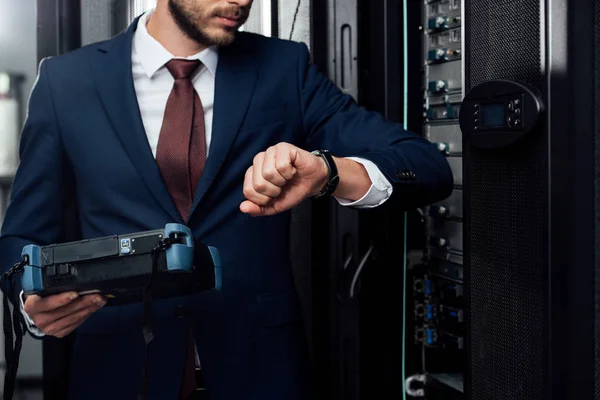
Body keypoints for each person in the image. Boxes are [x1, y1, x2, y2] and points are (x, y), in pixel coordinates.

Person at [0, 0, 453, 399]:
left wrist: (328, 174)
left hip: (259, 371)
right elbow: (22, 232)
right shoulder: (67, 81)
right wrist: (29, 300)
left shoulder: (283, 68)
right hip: (116, 371)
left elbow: (426, 166)